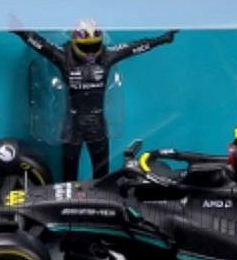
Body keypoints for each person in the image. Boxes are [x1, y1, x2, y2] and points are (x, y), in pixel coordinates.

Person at [11, 19, 177, 180]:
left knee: (102, 176)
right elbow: (41, 45)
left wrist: (162, 39)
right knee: (69, 176)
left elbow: (134, 47)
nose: (89, 52)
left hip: (97, 127)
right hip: (72, 128)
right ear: (74, 41)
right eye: (85, 46)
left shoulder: (107, 55)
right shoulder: (63, 56)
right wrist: (21, 31)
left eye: (93, 46)